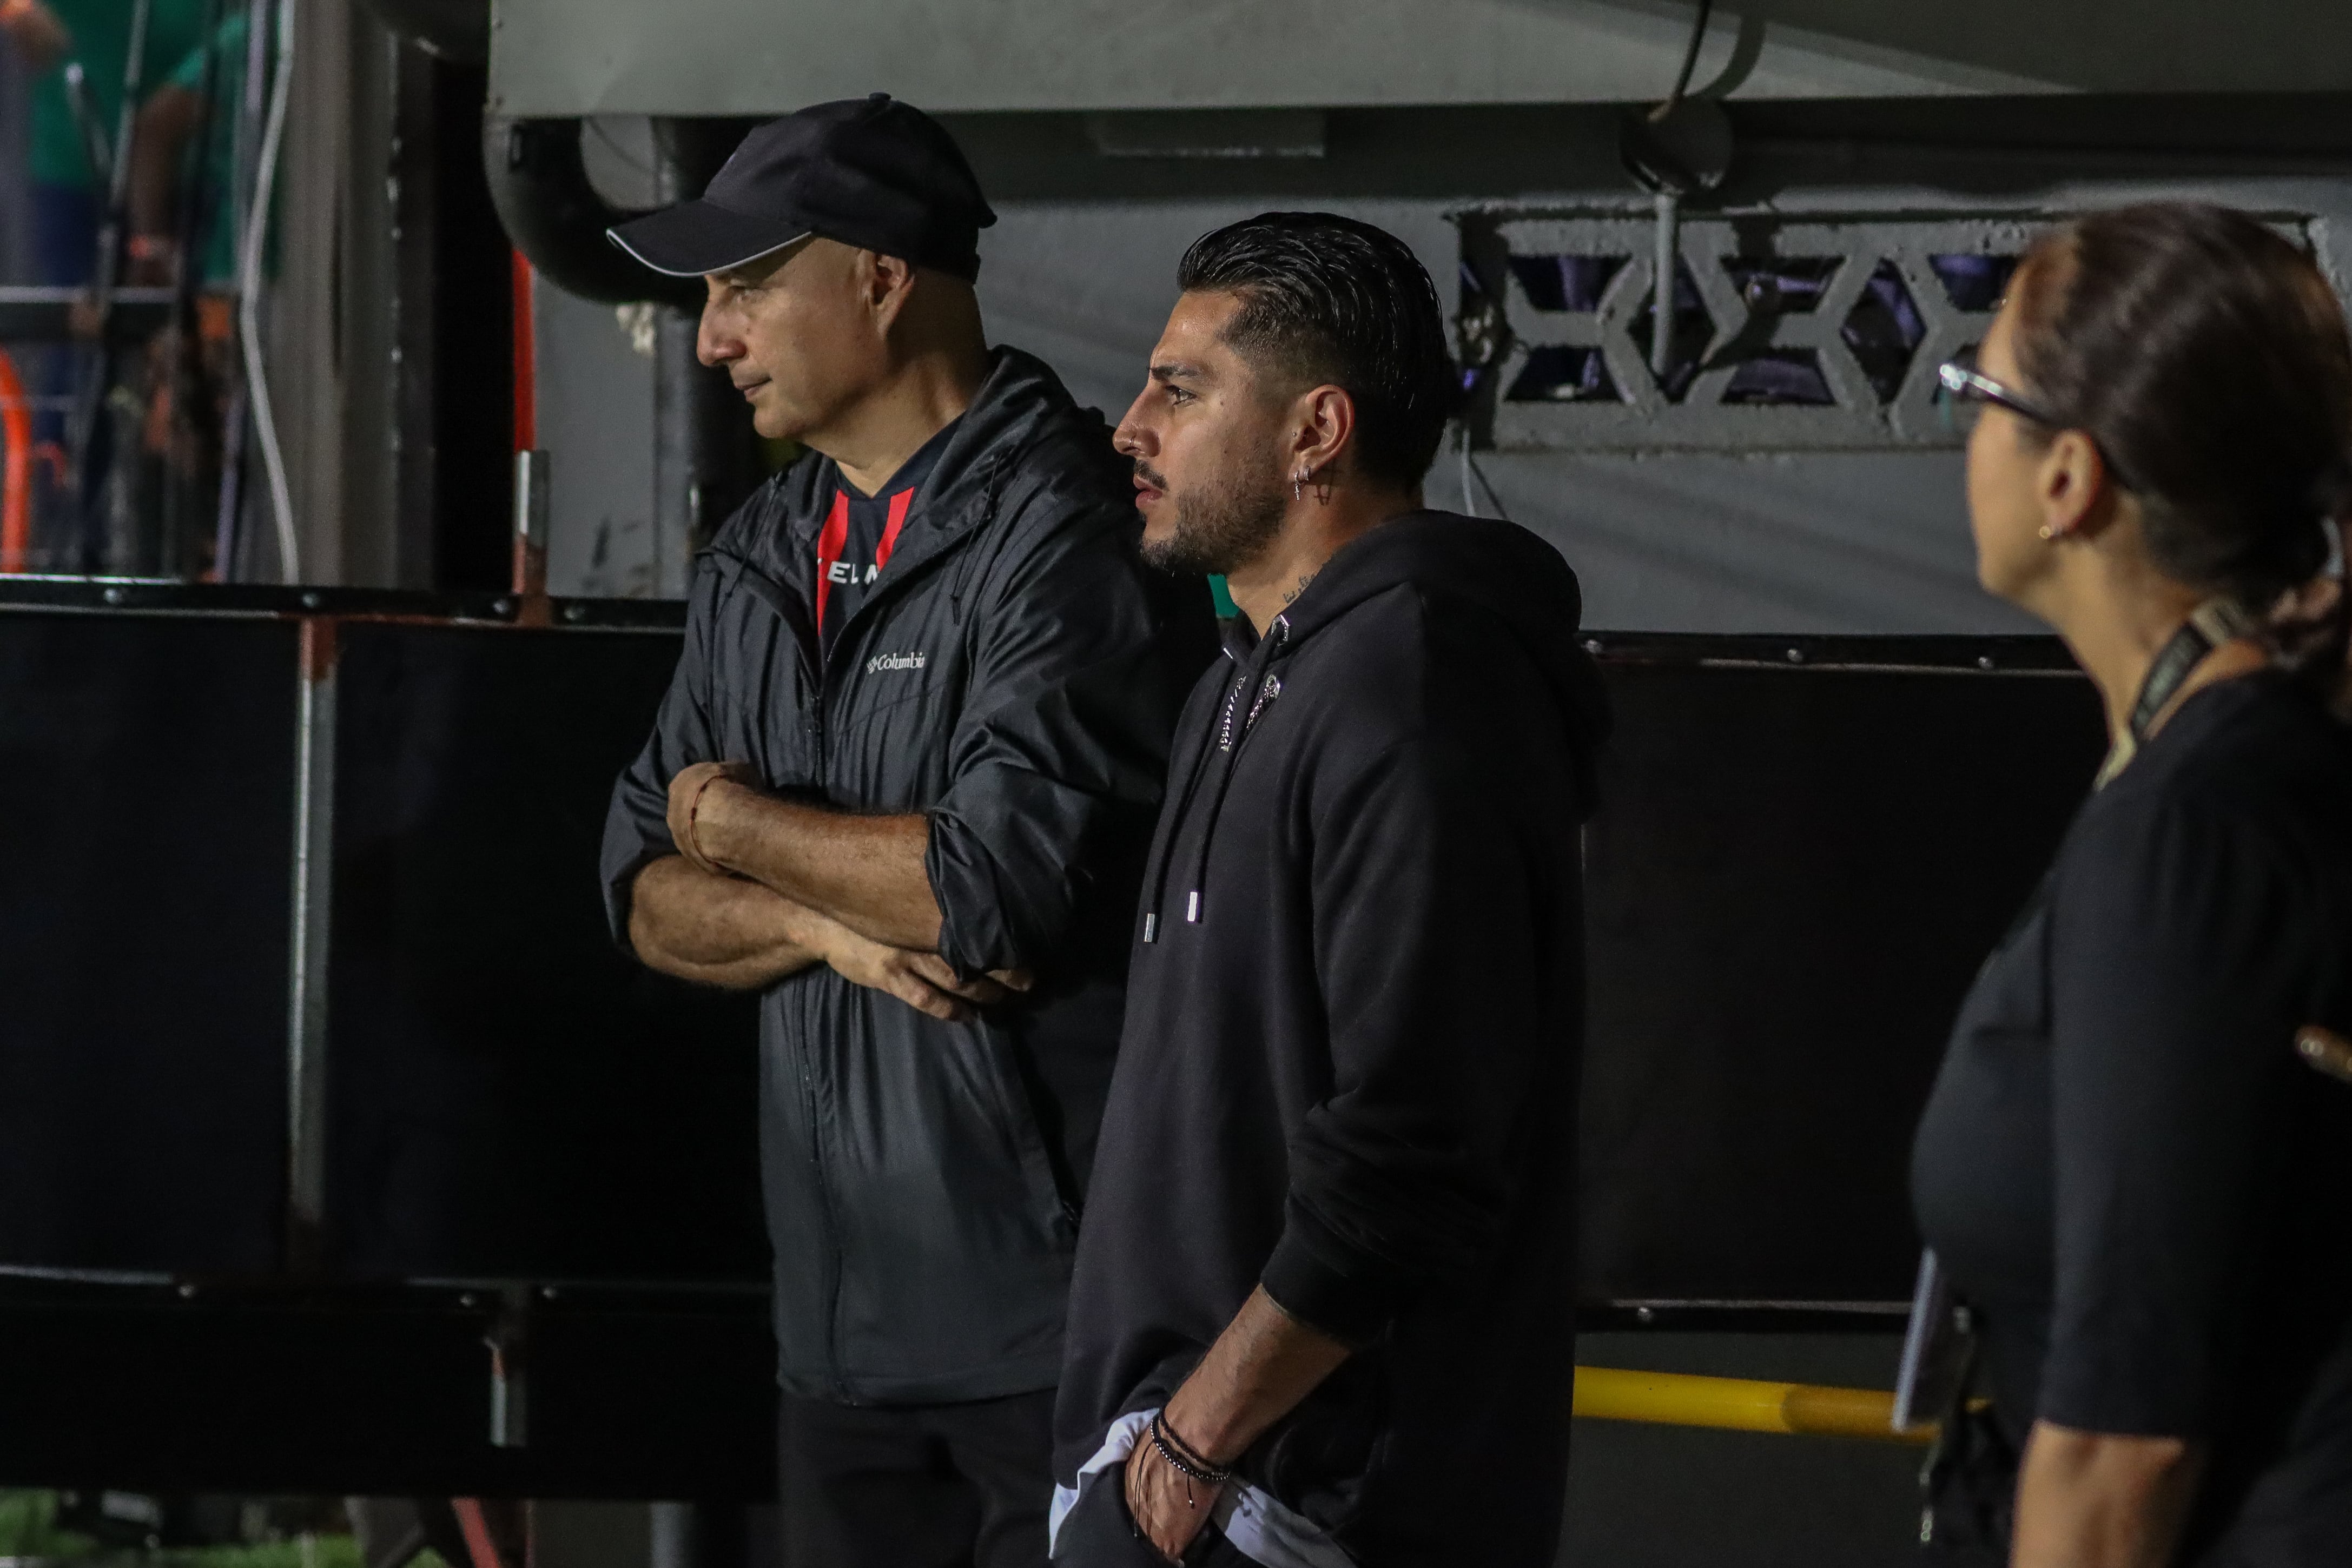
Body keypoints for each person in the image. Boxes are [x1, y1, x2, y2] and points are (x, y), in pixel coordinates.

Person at [599, 95, 1217, 1568]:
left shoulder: (1066, 534)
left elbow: (977, 889)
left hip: (1057, 1338)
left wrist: (734, 818)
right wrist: (822, 921)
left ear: (881, 277)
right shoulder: (759, 558)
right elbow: (635, 886)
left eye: (747, 287)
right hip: (837, 1344)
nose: (711, 338)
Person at [1049, 213, 1609, 1568]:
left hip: (1292, 1507)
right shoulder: (1248, 681)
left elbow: (1412, 1148)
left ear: (1314, 432)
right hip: (1182, 1485)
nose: (1131, 426)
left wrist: (1189, 1454)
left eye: (1179, 390)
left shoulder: (1418, 685)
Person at [1910, 202, 2352, 1568]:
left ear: (2068, 480)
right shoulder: (2229, 773)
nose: (1964, 430)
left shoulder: (2193, 830)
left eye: (1977, 392)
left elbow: (2122, 1434)